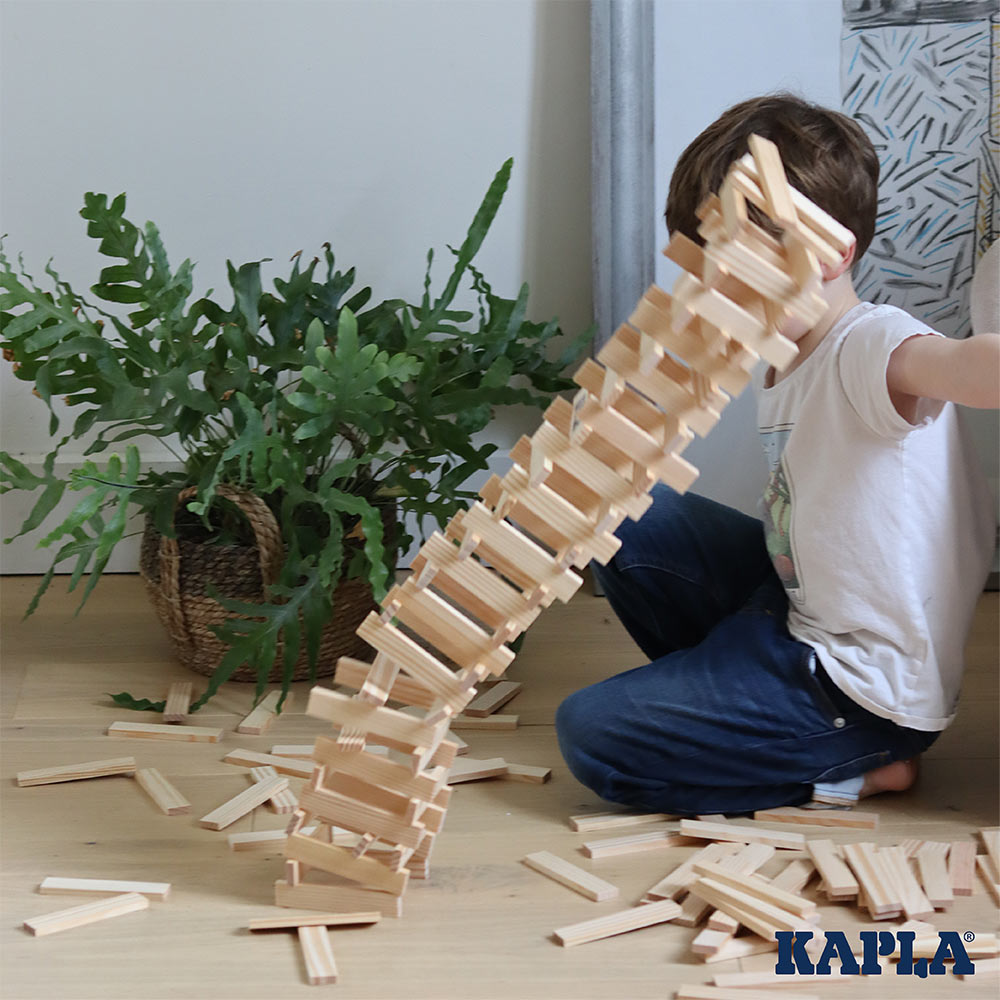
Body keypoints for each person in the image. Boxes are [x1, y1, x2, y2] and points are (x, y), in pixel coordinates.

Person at [555, 94, 999, 815]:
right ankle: (724, 706)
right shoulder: (782, 356)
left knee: (589, 733)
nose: (712, 293)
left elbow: (958, 366)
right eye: (702, 268)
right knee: (632, 504)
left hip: (857, 687)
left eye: (736, 270)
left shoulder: (870, 346)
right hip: (797, 604)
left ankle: (851, 766)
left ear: (829, 252)